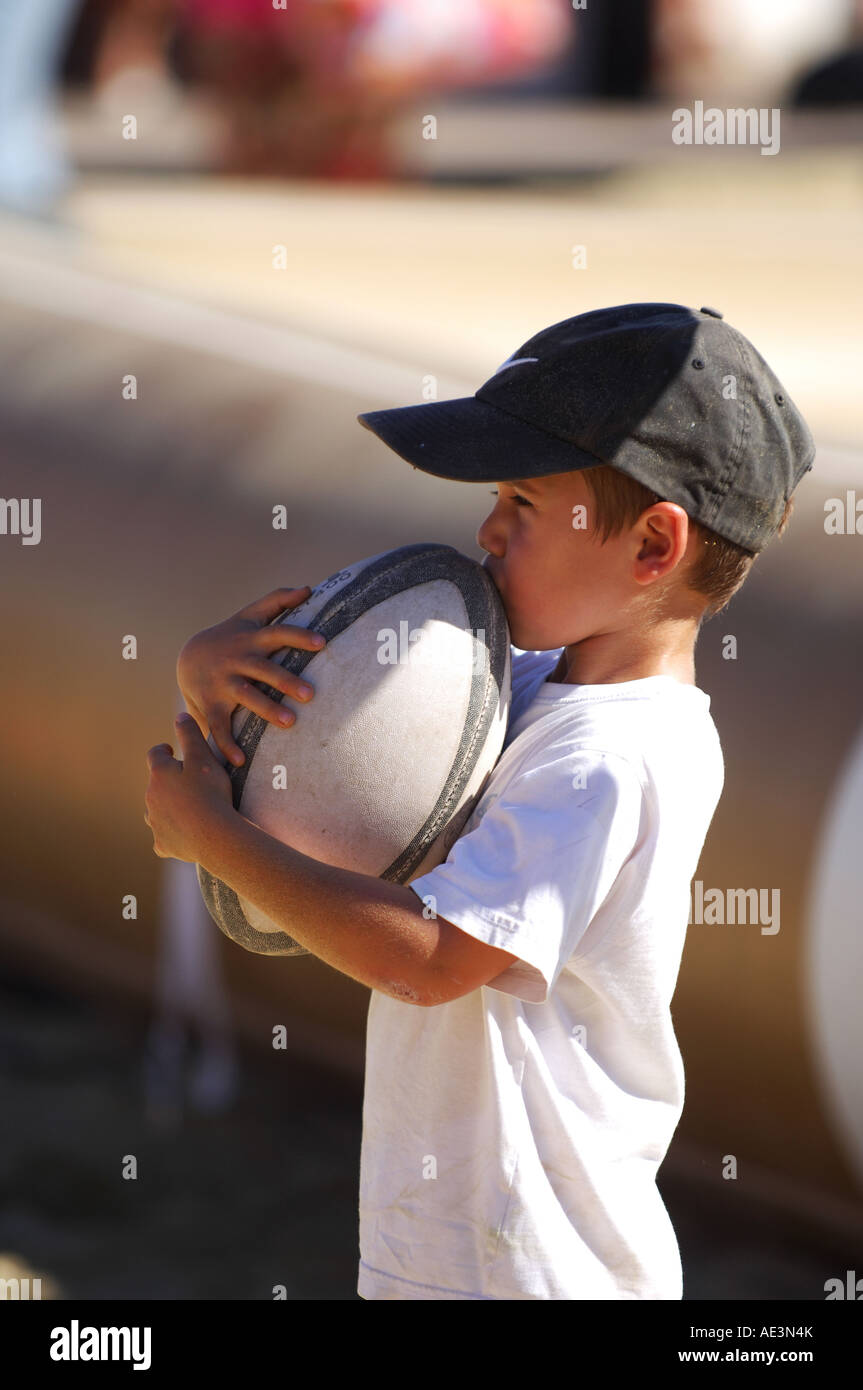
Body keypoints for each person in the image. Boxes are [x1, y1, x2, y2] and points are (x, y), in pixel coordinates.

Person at [145, 301, 815, 1300]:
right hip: (459, 1257)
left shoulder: (609, 761)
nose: (486, 531)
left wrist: (215, 837)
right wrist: (221, 687)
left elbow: (430, 961)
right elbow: (365, 792)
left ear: (651, 546)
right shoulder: (544, 690)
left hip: (538, 1272)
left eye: (523, 503)